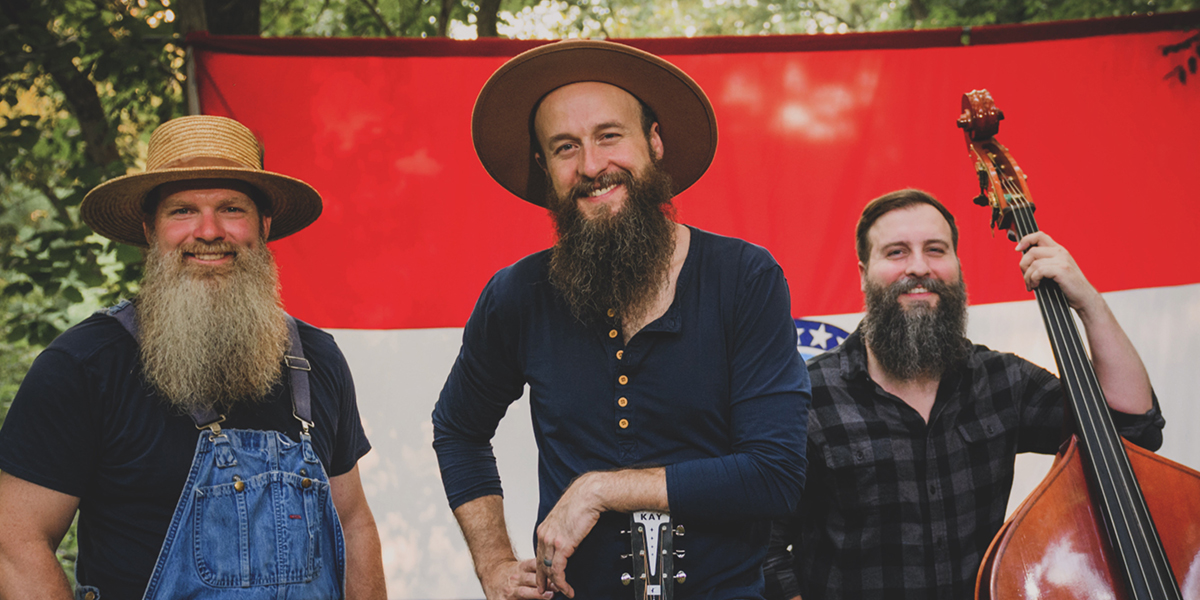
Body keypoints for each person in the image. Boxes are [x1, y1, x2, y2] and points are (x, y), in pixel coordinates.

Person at [431, 40, 811, 600]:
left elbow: (775, 474)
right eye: (565, 147)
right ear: (544, 168)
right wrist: (493, 564)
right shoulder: (518, 295)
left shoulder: (744, 277)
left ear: (654, 142)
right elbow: (458, 429)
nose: (591, 166)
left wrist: (600, 490)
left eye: (609, 136)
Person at [0, 115, 387, 599]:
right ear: (150, 230)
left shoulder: (317, 361)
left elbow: (352, 524)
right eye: (182, 211)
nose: (208, 231)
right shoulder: (84, 366)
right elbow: (15, 541)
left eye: (231, 209)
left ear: (264, 226)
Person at [763, 188, 1165, 600]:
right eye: (897, 252)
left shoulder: (1002, 381)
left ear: (957, 265)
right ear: (864, 272)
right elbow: (763, 548)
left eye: (935, 250)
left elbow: (1134, 431)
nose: (919, 267)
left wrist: (1088, 303)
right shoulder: (807, 396)